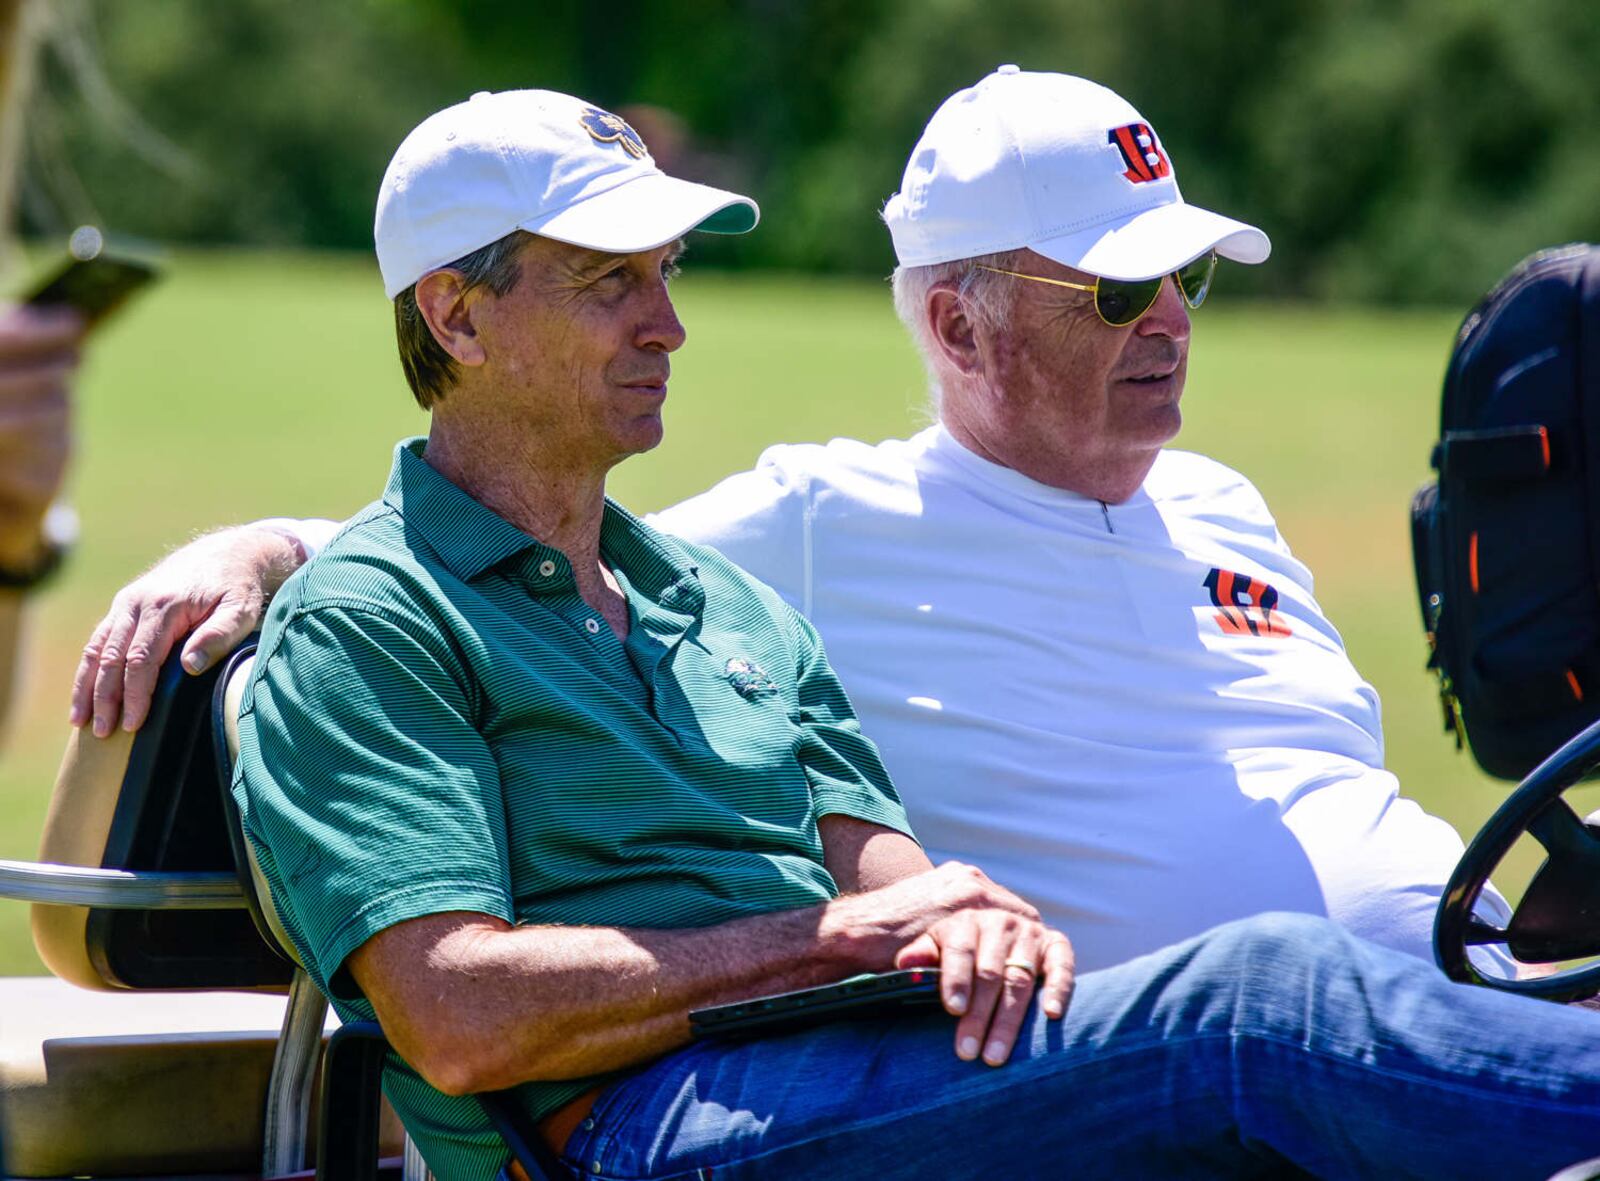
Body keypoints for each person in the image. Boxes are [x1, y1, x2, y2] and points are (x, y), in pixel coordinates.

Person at [202, 84, 1600, 1181]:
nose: (671, 325)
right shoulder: (373, 623)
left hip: (865, 1074)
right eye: (610, 281)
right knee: (1255, 1003)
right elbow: (455, 1014)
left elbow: (895, 887)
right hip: (649, 1127)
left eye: (669, 272)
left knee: (1267, 1023)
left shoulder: (720, 601)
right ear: (456, 312)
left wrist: (963, 928)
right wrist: (835, 942)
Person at [70, 68, 1506, 974]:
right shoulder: (819, 524)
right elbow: (491, 538)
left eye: (1192, 278)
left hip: (1465, 964)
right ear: (957, 322)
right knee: (1285, 1008)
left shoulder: (1231, 504)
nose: (1174, 323)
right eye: (1122, 293)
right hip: (1186, 1055)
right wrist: (264, 545)